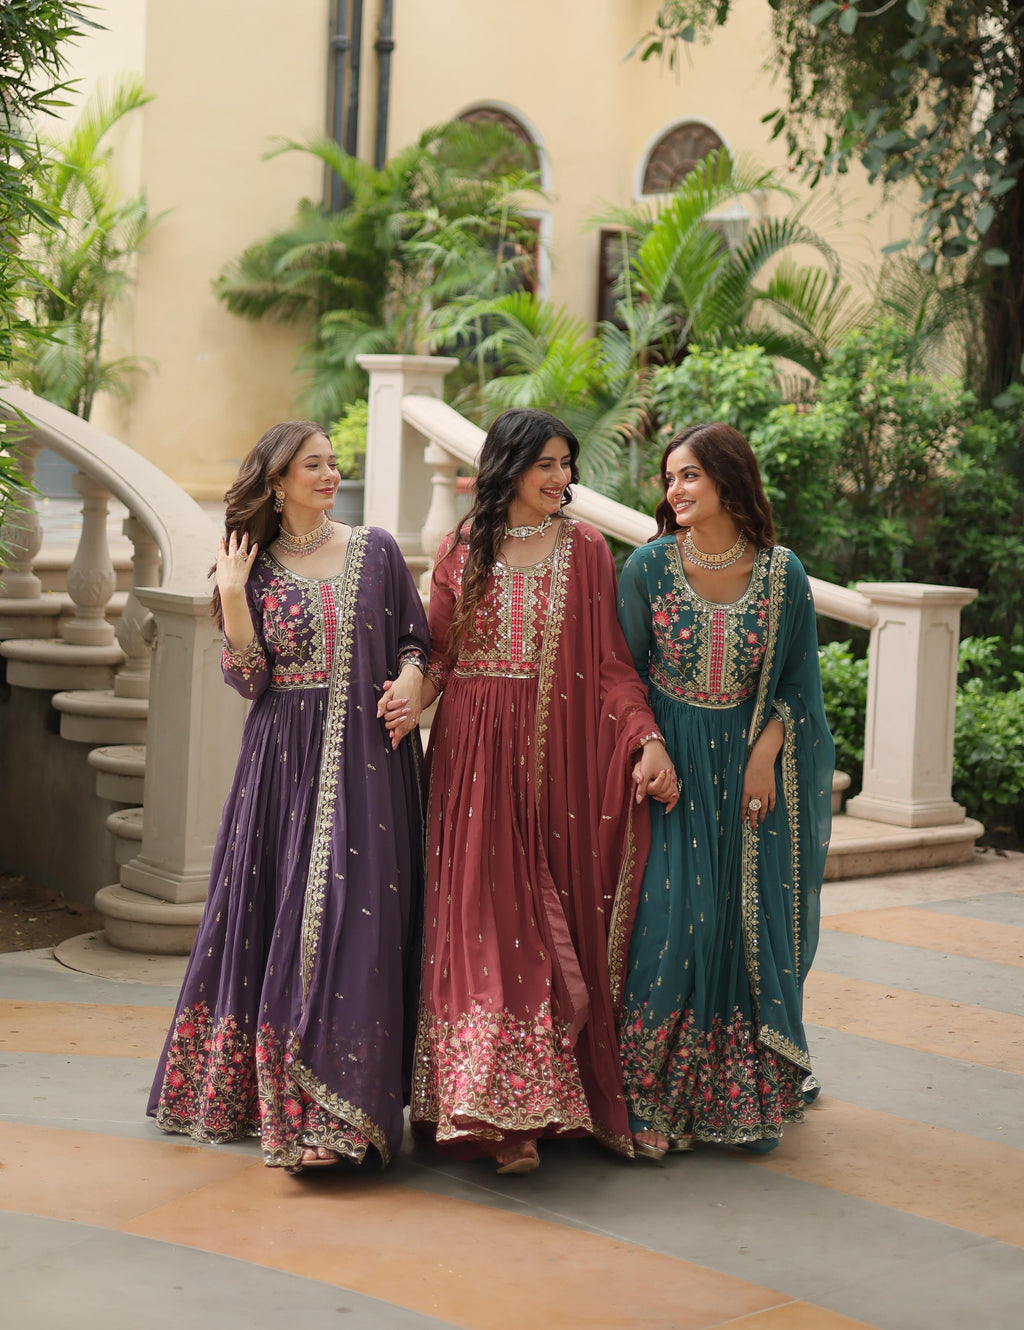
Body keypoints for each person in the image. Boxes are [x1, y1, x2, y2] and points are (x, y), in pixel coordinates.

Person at [381, 407, 678, 1174]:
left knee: (535, 932)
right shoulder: (463, 546)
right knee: (477, 926)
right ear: (509, 466)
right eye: (546, 463)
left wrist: (644, 736)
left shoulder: (586, 550)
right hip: (470, 764)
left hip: (551, 763)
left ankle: (526, 1103)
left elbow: (610, 663)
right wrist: (411, 694)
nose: (561, 477)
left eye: (565, 463)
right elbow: (439, 655)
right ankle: (486, 1110)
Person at [148, 420, 428, 1173]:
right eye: (314, 464)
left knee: (356, 928)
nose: (331, 474)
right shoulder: (252, 569)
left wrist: (410, 680)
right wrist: (232, 594)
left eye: (334, 462)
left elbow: (417, 641)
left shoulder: (376, 551)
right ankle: (289, 1105)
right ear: (277, 482)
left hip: (369, 765)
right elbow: (250, 679)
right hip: (282, 767)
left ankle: (342, 1116)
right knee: (281, 923)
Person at [615, 423, 834, 1158]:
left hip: (746, 776)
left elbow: (799, 684)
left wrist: (765, 753)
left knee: (740, 927)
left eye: (690, 476)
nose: (674, 490)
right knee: (677, 923)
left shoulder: (781, 574)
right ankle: (646, 1094)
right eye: (670, 478)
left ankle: (733, 1091)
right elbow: (621, 674)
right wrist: (648, 745)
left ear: (728, 480)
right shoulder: (647, 567)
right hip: (671, 774)